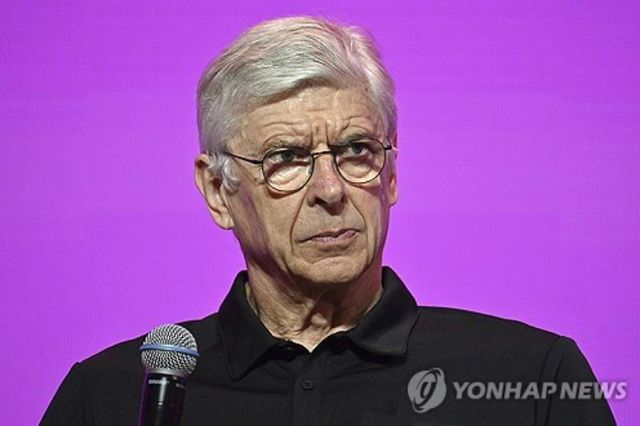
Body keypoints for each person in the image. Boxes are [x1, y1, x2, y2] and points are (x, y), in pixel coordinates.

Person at [42, 16, 616, 425]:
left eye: (356, 150)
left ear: (392, 174)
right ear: (218, 191)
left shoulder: (533, 380)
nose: (331, 190)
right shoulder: (113, 397)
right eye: (286, 158)